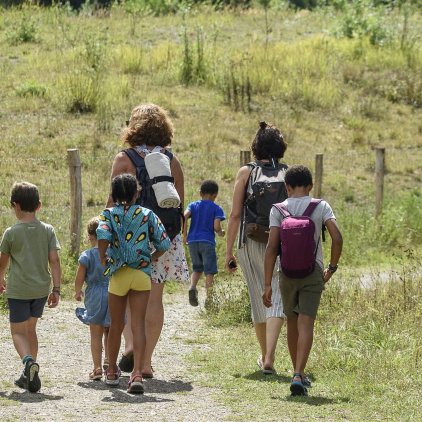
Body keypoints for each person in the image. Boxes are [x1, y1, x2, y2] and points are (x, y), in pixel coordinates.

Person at [108, 103, 189, 378]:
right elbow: (179, 205)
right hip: (165, 237)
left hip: (131, 238)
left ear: (133, 127)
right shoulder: (171, 160)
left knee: (130, 296)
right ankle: (146, 363)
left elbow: (112, 203)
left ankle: (131, 346)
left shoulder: (125, 159)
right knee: (155, 299)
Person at [263, 164, 343, 396]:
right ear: (310, 186)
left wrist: (267, 284)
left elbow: (271, 248)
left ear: (286, 187)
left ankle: (296, 373)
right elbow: (337, 238)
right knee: (306, 323)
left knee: (291, 321)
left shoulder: (278, 209)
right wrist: (332, 267)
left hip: (286, 273)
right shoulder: (321, 206)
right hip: (313, 271)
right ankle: (299, 373)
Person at [97, 173, 170, 394]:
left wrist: (103, 257)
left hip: (118, 274)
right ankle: (136, 374)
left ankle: (111, 372)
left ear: (113, 194)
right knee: (138, 324)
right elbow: (164, 243)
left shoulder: (108, 214)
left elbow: (102, 235)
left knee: (116, 326)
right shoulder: (148, 214)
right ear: (137, 193)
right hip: (141, 274)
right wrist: (151, 257)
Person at [225, 121, 288, 375]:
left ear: (256, 146)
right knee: (278, 298)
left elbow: (235, 216)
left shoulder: (246, 172)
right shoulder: (290, 172)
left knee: (258, 296)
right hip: (281, 241)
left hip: (249, 241)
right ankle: (270, 356)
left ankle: (264, 355)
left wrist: (228, 251)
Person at [0, 181, 62, 393]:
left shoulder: (11, 232)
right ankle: (28, 376)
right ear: (39, 205)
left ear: (15, 205)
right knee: (31, 329)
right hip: (40, 290)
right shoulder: (48, 230)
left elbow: (3, 262)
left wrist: (0, 279)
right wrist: (57, 289)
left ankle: (27, 362)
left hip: (19, 290)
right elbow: (54, 261)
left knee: (17, 332)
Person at [74, 216, 111, 381]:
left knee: (95, 333)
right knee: (110, 330)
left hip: (94, 294)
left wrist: (78, 291)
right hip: (113, 292)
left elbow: (79, 277)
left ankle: (97, 368)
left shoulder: (87, 255)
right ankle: (109, 362)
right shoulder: (112, 253)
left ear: (90, 235)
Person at [183, 179, 226, 307]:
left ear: (200, 193)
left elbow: (184, 216)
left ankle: (192, 287)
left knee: (197, 268)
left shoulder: (193, 205)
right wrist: (220, 232)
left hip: (193, 241)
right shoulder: (216, 208)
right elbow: (216, 226)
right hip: (207, 241)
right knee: (209, 271)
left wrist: (185, 235)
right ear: (216, 194)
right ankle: (210, 299)